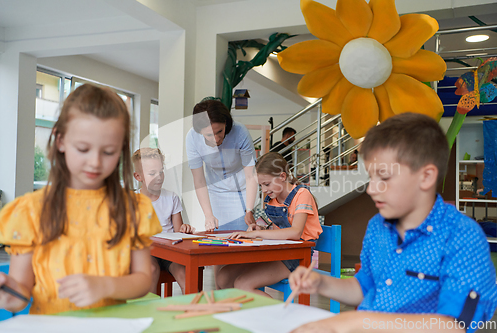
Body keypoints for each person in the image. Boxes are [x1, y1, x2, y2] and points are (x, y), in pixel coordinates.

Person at [288, 113, 497, 333]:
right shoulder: (377, 226)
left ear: (426, 177)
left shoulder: (462, 236)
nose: (371, 189)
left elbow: (453, 326)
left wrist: (355, 322)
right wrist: (321, 283)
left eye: (384, 178)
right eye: (371, 178)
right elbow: (363, 287)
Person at [0, 84, 162, 315]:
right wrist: (6, 294)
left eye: (108, 152)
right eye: (83, 149)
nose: (95, 162)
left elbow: (145, 279)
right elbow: (21, 294)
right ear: (60, 140)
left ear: (121, 149)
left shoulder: (133, 208)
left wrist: (106, 285)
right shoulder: (30, 211)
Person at [215, 152, 322, 297]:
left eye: (266, 184)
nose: (264, 190)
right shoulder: (273, 198)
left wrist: (256, 233)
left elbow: (296, 232)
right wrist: (259, 227)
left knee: (243, 284)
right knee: (223, 277)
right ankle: (249, 316)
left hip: (297, 256)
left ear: (282, 177)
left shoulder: (302, 195)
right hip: (276, 252)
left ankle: (277, 318)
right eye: (261, 185)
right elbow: (272, 225)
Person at [186, 98, 257, 232]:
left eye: (220, 131)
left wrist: (249, 210)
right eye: (209, 135)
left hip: (242, 189)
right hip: (215, 190)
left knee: (243, 234)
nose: (217, 139)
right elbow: (199, 180)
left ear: (226, 123)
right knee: (217, 234)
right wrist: (208, 215)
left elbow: (250, 175)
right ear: (200, 131)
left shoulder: (240, 132)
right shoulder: (192, 138)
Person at [132, 147, 193, 294]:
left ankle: (192, 312)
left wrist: (185, 229)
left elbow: (178, 231)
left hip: (170, 253)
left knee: (185, 274)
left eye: (161, 171)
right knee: (151, 270)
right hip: (146, 253)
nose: (159, 177)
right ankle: (152, 312)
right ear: (138, 176)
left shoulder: (172, 198)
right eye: (152, 173)